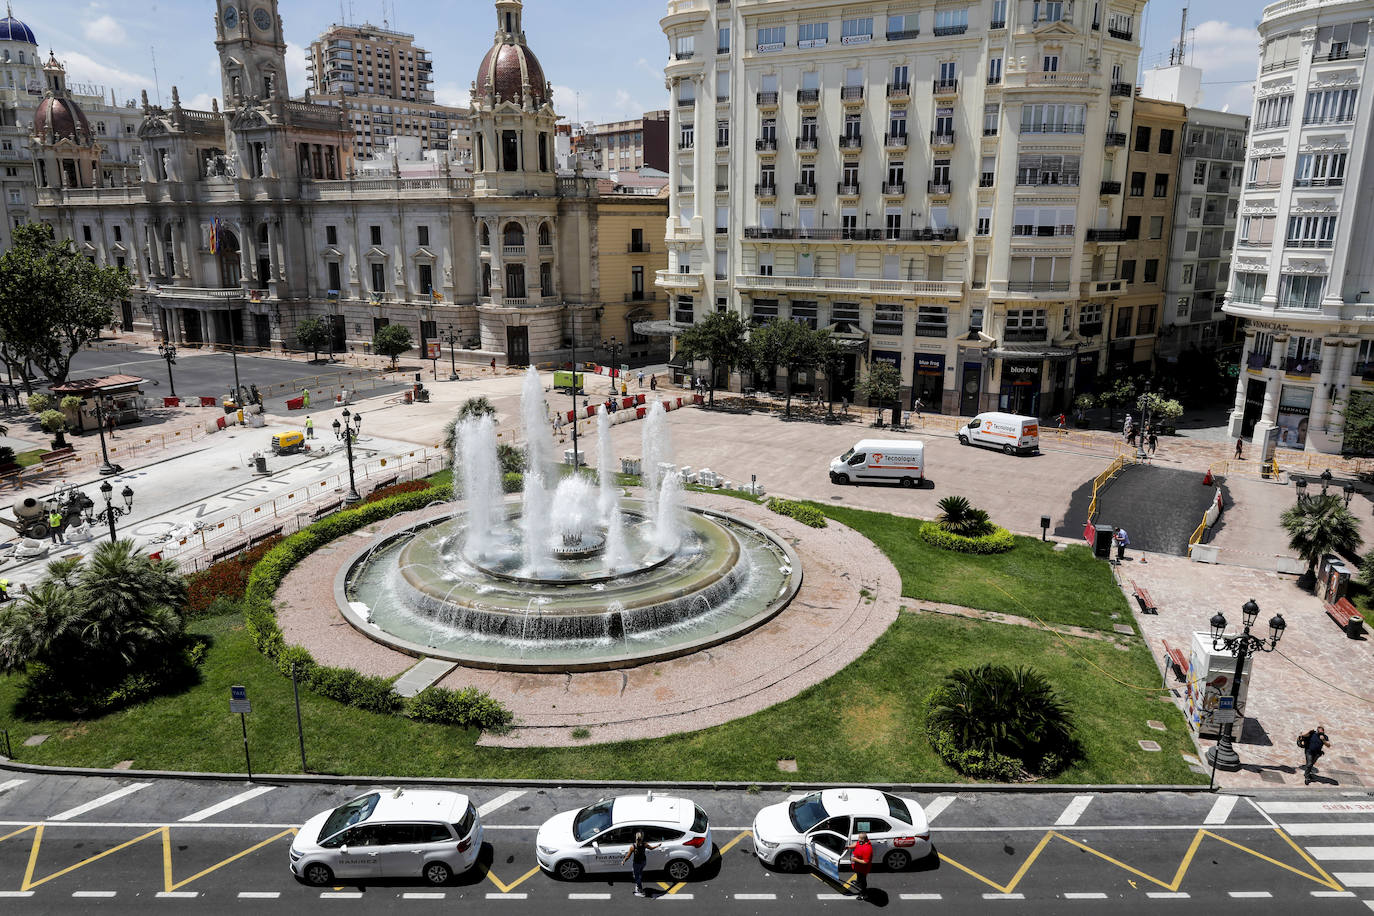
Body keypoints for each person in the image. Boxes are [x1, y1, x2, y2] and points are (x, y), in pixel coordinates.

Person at [621, 830, 659, 897]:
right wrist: (657, 846)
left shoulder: (633, 846)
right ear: (642, 838)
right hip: (643, 862)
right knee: (640, 873)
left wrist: (623, 861)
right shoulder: (645, 844)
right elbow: (651, 848)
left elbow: (628, 856)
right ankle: (638, 883)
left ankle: (640, 889)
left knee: (636, 876)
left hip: (636, 863)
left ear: (636, 837)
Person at [845, 832, 875, 901]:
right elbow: (856, 844)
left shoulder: (867, 849)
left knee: (863, 881)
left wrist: (855, 859)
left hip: (863, 869)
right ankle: (858, 882)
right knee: (858, 875)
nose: (858, 840)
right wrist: (848, 847)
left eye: (860, 838)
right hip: (858, 866)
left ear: (864, 839)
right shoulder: (861, 842)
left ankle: (864, 894)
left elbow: (865, 861)